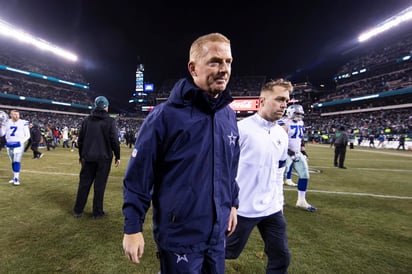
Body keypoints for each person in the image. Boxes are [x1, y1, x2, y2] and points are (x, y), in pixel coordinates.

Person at [122, 32, 240, 273]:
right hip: (180, 237)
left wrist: (233, 204)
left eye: (228, 62)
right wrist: (132, 228)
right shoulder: (164, 116)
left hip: (217, 235)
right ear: (193, 68)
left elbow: (231, 167)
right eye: (215, 61)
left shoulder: (228, 115)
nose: (224, 69)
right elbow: (138, 177)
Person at [225, 79, 292, 273]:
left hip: (271, 209)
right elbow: (225, 170)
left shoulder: (281, 134)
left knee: (281, 256)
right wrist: (229, 204)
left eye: (286, 101)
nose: (283, 105)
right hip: (242, 209)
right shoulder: (241, 129)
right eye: (279, 99)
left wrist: (279, 203)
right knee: (224, 252)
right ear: (262, 100)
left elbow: (279, 172)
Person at [73, 96, 121, 219]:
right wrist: (117, 155)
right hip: (104, 159)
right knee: (99, 186)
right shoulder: (110, 121)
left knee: (84, 184)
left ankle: (78, 210)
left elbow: (81, 140)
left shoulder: (86, 120)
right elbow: (114, 140)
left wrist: (81, 156)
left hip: (88, 157)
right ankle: (97, 212)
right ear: (106, 106)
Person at [282, 104, 317, 212]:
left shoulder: (301, 123)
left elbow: (300, 138)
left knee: (305, 174)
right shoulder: (283, 123)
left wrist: (303, 151)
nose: (299, 116)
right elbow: (280, 140)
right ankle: (278, 198)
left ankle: (301, 201)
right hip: (284, 153)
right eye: (297, 113)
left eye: (300, 114)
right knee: (279, 176)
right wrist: (289, 152)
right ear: (290, 113)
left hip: (296, 153)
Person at [0, 109, 30, 185]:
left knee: (17, 160)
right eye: (14, 114)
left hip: (19, 145)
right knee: (12, 161)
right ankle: (14, 177)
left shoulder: (23, 122)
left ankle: (16, 178)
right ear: (11, 115)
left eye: (18, 114)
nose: (16, 116)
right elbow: (2, 134)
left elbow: (27, 135)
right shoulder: (6, 122)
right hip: (9, 144)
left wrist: (20, 142)